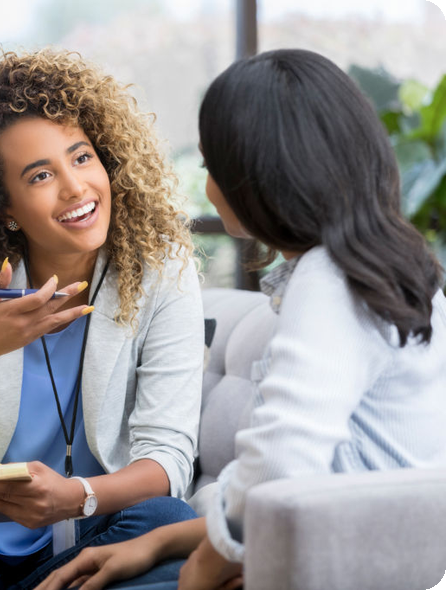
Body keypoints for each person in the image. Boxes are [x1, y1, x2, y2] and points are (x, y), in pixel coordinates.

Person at [36, 48, 446, 590]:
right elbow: (327, 479)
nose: (208, 186)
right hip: (364, 542)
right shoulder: (396, 269)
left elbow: (278, 467)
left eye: (211, 168)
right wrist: (159, 542)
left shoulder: (329, 282)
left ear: (259, 179)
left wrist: (205, 568)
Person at [0, 49, 206, 590]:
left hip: (96, 535)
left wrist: (77, 496)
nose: (75, 188)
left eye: (82, 158)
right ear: (4, 206)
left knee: (167, 519)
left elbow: (168, 461)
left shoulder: (162, 271)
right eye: (41, 175)